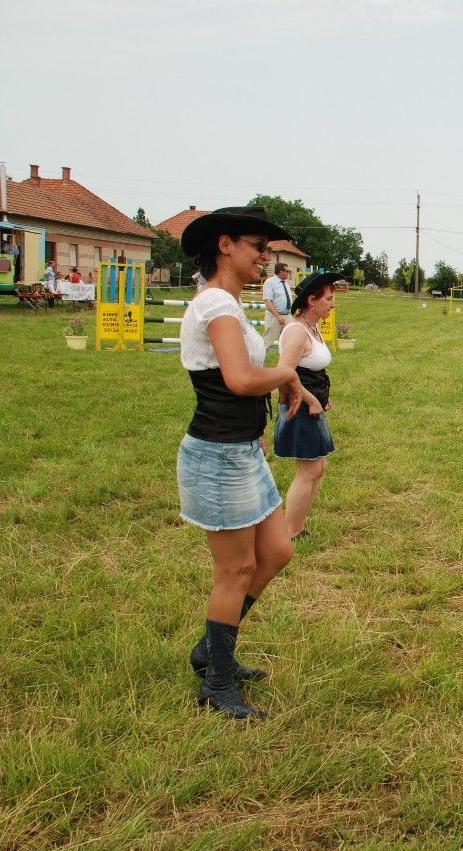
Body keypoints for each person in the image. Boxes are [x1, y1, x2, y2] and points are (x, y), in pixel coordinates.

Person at [176, 206, 318, 719]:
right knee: (235, 568)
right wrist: (285, 375)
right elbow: (237, 378)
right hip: (217, 455)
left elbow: (242, 378)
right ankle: (217, 681)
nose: (265, 256)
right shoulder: (215, 302)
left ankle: (211, 649)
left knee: (277, 551)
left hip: (241, 450)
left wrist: (276, 392)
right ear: (225, 246)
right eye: (258, 246)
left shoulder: (230, 303)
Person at [274, 272, 341, 541]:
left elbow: (314, 370)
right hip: (298, 407)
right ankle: (290, 532)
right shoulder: (296, 332)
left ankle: (298, 528)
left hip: (311, 406)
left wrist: (323, 396)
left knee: (319, 468)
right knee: (309, 470)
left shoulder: (312, 328)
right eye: (329, 298)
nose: (333, 304)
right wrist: (311, 399)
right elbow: (283, 372)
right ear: (312, 301)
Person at [262, 262, 294, 350]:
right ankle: (256, 362)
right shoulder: (269, 282)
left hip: (288, 316)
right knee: (267, 342)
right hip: (274, 316)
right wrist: (277, 316)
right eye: (287, 271)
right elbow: (268, 301)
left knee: (288, 342)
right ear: (280, 271)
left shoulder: (285, 283)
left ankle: (285, 363)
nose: (289, 273)